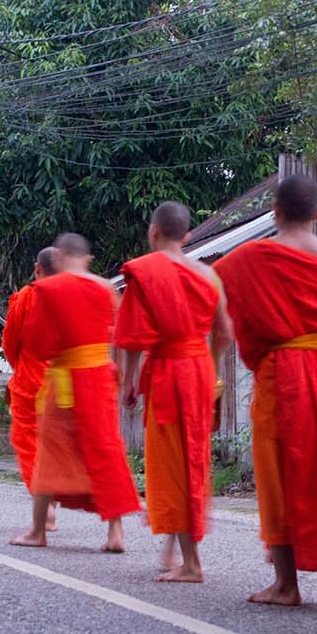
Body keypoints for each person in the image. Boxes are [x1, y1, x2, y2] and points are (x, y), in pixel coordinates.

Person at [214, 175, 317, 609]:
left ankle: (287, 584)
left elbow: (220, 302)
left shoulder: (249, 257)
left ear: (274, 212)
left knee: (278, 476)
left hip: (280, 373)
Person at [117, 202, 234, 584]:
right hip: (198, 368)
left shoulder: (145, 272)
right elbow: (224, 333)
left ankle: (192, 562)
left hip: (168, 370)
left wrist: (130, 381)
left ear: (153, 232)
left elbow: (132, 339)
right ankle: (176, 549)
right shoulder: (208, 275)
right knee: (194, 457)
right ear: (186, 236)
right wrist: (210, 364)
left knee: (171, 463)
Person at [10, 234, 142, 550]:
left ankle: (38, 531)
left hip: (65, 380)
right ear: (88, 258)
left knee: (51, 455)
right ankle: (115, 534)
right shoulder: (106, 288)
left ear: (58, 257)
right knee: (106, 449)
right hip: (100, 379)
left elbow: (39, 343)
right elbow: (121, 337)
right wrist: (122, 375)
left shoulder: (48, 289)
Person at [2, 247, 64, 529]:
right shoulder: (72, 297)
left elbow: (9, 342)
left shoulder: (23, 298)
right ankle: (53, 500)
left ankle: (45, 504)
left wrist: (21, 365)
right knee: (56, 444)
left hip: (29, 378)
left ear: (37, 268)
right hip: (63, 380)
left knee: (28, 443)